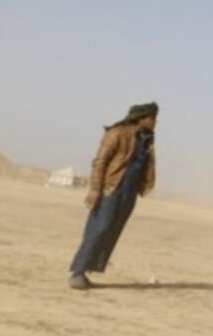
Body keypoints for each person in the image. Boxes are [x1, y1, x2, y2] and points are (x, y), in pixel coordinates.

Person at [68, 102, 159, 290]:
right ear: (141, 118)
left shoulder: (147, 139)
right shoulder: (116, 133)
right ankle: (77, 272)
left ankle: (86, 271)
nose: (155, 122)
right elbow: (100, 161)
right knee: (99, 228)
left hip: (130, 191)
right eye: (152, 118)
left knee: (112, 231)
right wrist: (94, 189)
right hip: (111, 188)